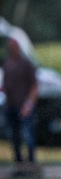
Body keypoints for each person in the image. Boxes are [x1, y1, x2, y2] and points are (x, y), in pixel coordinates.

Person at [1, 35, 39, 171]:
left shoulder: (26, 64)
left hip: (23, 105)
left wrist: (29, 104)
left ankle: (31, 164)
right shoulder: (7, 64)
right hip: (10, 105)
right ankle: (19, 165)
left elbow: (34, 85)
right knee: (14, 137)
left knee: (28, 135)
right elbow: (5, 85)